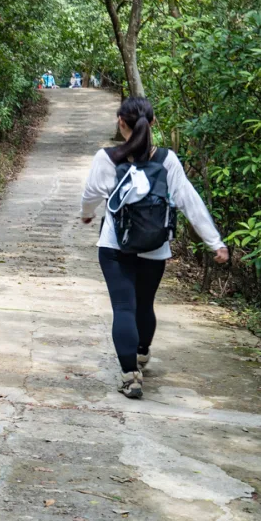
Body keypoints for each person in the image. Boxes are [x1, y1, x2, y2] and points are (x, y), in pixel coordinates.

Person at [80, 97, 229, 398]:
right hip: (154, 248)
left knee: (124, 307)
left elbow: (91, 194)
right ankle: (142, 354)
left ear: (120, 121)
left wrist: (87, 213)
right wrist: (216, 242)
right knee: (144, 304)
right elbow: (189, 200)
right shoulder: (167, 159)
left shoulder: (106, 157)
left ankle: (130, 377)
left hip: (114, 247)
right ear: (153, 123)